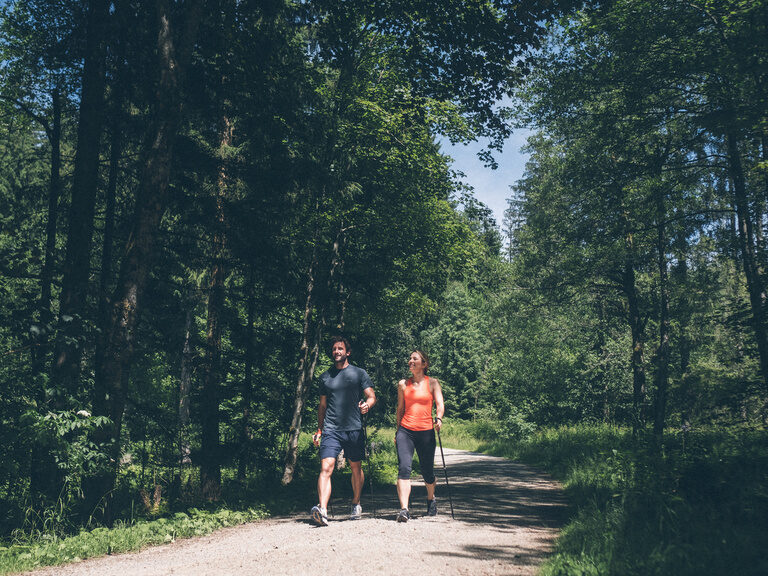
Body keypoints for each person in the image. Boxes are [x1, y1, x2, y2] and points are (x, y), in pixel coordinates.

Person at [310, 336, 376, 526]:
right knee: (326, 467)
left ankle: (356, 503)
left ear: (347, 352)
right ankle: (322, 510)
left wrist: (367, 406)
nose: (336, 352)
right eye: (334, 349)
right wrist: (319, 429)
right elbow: (322, 406)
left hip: (354, 428)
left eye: (340, 349)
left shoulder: (359, 373)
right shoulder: (325, 377)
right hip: (331, 429)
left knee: (355, 467)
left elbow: (371, 396)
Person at [394, 350, 444, 522]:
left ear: (424, 364)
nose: (410, 361)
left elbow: (440, 404)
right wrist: (397, 430)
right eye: (410, 358)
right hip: (405, 431)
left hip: (426, 432)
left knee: (427, 471)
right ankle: (404, 509)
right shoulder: (403, 384)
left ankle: (431, 499)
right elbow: (400, 409)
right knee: (404, 468)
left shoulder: (433, 383)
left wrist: (438, 418)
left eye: (415, 359)